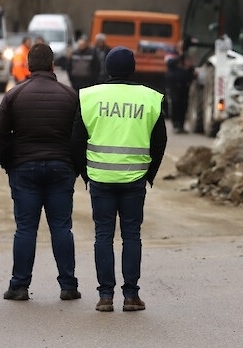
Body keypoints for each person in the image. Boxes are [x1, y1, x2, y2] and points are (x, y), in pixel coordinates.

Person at [74, 46, 167, 312]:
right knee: (132, 235)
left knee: (103, 236)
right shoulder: (150, 98)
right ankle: (130, 295)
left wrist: (85, 172)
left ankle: (105, 296)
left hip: (100, 178)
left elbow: (76, 139)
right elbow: (160, 141)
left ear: (107, 68)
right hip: (134, 178)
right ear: (133, 68)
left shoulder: (89, 96)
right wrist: (149, 173)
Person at [0, 43, 82, 302]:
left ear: (29, 66)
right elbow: (79, 136)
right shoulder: (70, 95)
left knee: (25, 229)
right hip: (60, 167)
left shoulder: (14, 95)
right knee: (62, 228)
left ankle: (19, 286)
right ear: (53, 65)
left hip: (24, 168)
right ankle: (68, 285)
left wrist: (7, 162)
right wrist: (75, 165)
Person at [165, 40, 195, 134]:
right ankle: (175, 124)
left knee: (184, 104)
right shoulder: (172, 53)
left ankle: (181, 125)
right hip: (174, 83)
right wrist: (180, 55)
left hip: (185, 83)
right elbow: (169, 63)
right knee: (175, 103)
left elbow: (191, 66)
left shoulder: (188, 55)